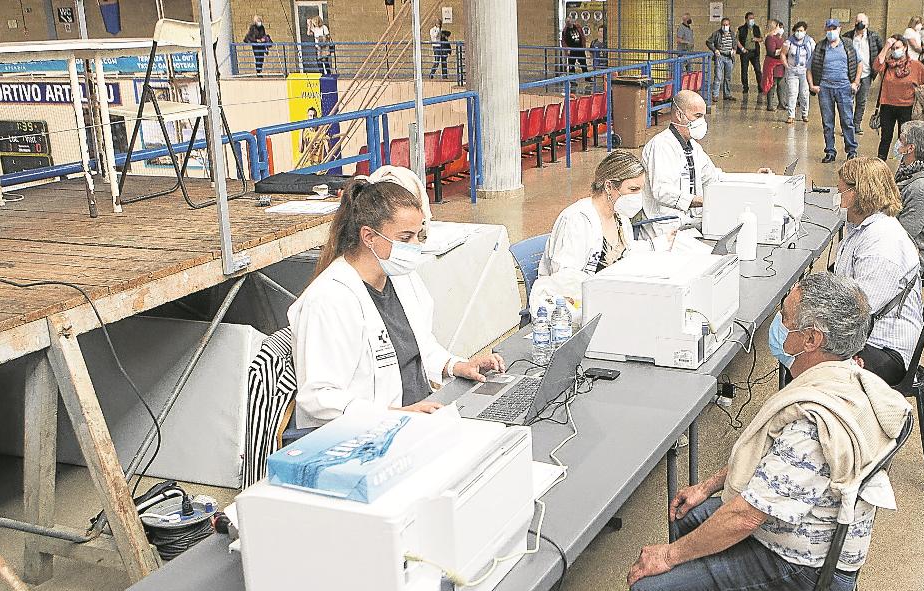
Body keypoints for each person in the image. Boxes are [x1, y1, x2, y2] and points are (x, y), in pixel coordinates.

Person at [601, 270, 911, 591]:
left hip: (800, 571)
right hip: (811, 538)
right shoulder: (848, 377)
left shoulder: (815, 420)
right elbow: (772, 466)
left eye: (785, 319)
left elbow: (747, 516)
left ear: (812, 337)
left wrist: (667, 558)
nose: (778, 330)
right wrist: (709, 486)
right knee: (689, 516)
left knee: (652, 587)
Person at [288, 178, 503, 426]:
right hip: (368, 433)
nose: (415, 247)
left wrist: (456, 366)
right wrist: (393, 414)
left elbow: (419, 347)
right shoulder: (329, 299)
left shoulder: (401, 278)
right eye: (405, 238)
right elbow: (318, 396)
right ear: (368, 236)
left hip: (420, 416)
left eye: (418, 236)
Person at [833, 157, 923, 385]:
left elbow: (858, 311)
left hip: (887, 351)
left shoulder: (882, 244)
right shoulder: (864, 229)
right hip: (871, 334)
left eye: (841, 193)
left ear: (858, 193)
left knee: (804, 350)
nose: (838, 201)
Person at [529, 151, 644, 314]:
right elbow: (566, 281)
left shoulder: (621, 219)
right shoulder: (576, 220)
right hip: (578, 308)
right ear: (609, 186)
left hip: (611, 301)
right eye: (633, 189)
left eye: (640, 190)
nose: (637, 196)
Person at [641, 90, 721, 235]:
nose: (701, 122)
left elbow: (713, 177)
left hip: (686, 223)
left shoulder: (694, 147)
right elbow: (662, 191)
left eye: (703, 116)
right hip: (662, 228)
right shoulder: (661, 146)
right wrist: (701, 200)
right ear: (679, 115)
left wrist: (755, 179)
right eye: (697, 116)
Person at [872, 35, 924, 160]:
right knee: (885, 137)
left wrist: (919, 91)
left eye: (898, 47)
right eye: (893, 48)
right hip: (887, 106)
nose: (895, 50)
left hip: (907, 107)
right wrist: (886, 47)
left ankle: (904, 164)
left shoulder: (916, 66)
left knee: (905, 138)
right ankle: (880, 164)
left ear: (905, 48)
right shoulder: (887, 65)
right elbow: (876, 65)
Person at [808, 19, 860, 163]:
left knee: (847, 120)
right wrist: (812, 85)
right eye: (829, 29)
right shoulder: (820, 47)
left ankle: (851, 151)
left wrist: (855, 82)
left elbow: (859, 63)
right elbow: (809, 68)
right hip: (825, 88)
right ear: (825, 30)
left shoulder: (848, 45)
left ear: (840, 28)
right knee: (827, 123)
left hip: (844, 88)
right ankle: (830, 151)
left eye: (834, 28)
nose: (831, 31)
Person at [894, 121, 924, 271]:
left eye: (901, 139)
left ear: (910, 148)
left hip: (912, 256)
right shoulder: (908, 170)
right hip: (900, 246)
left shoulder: (921, 188)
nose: (897, 142)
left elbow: (903, 235)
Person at [842, 13, 883, 134]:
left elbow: (881, 53)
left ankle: (856, 124)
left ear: (867, 24)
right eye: (858, 21)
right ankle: (848, 126)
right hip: (850, 74)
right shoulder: (847, 37)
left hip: (866, 74)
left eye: (863, 21)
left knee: (861, 101)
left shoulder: (874, 37)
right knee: (848, 101)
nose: (860, 23)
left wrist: (878, 69)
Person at [783, 21, 814, 124]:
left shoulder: (810, 42)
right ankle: (791, 115)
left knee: (804, 93)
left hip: (805, 71)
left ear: (805, 31)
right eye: (797, 30)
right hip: (792, 70)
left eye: (801, 31)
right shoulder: (789, 42)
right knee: (792, 93)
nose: (799, 33)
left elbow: (814, 55)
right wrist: (786, 66)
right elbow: (783, 54)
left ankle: (804, 113)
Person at [706, 17, 738, 100]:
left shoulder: (732, 34)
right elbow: (708, 42)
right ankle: (715, 95)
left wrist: (734, 50)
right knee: (718, 76)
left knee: (728, 77)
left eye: (726, 25)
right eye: (723, 25)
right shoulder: (717, 33)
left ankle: (727, 94)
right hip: (720, 57)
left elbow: (735, 44)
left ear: (729, 25)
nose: (725, 26)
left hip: (729, 58)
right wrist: (715, 50)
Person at [760, 19, 787, 112]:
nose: (780, 29)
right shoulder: (770, 38)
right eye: (778, 27)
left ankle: (781, 103)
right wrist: (783, 50)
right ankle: (770, 105)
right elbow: (772, 52)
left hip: (780, 64)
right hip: (772, 64)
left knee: (781, 84)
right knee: (772, 84)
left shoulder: (781, 38)